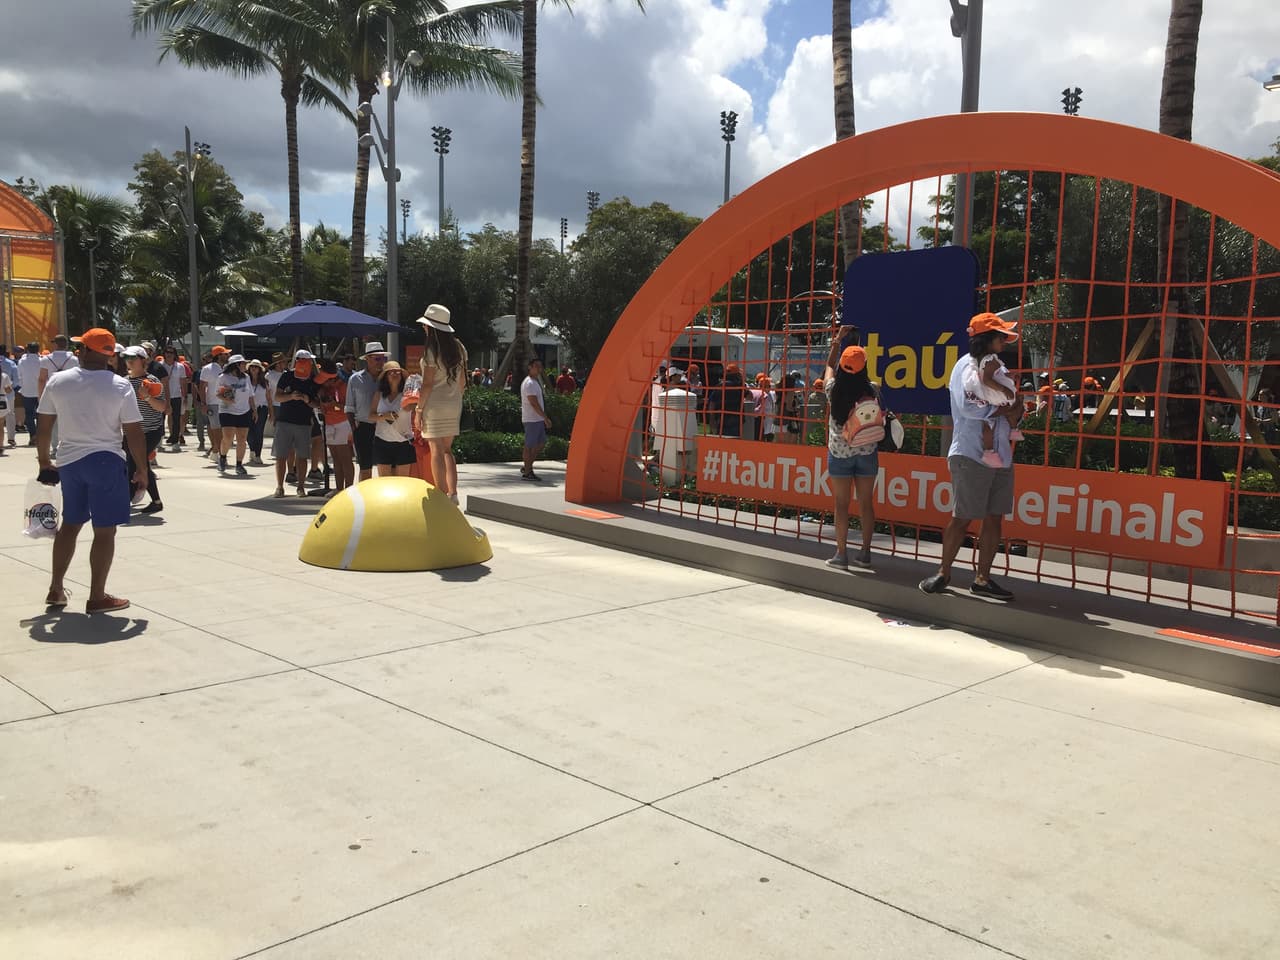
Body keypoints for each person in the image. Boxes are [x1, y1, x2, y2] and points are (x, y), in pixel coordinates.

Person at [35, 328, 148, 614]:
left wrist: (43, 462)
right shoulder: (120, 385)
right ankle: (97, 596)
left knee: (70, 525)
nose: (77, 352)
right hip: (106, 461)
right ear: (109, 355)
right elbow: (133, 432)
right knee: (105, 531)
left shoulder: (58, 382)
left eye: (80, 347)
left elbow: (44, 426)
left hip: (70, 462)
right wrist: (142, 470)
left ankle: (56, 587)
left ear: (86, 351)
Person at [919, 312, 1020, 602]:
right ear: (987, 337)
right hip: (970, 454)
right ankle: (943, 572)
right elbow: (967, 409)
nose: (1005, 340)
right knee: (962, 517)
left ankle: (982, 579)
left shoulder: (997, 367)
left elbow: (1014, 402)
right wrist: (1003, 409)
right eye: (1001, 335)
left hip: (1001, 454)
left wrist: (1013, 410)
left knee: (994, 519)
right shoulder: (965, 366)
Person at [823, 330, 880, 569]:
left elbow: (828, 367)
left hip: (839, 453)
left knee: (841, 504)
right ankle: (865, 553)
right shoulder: (873, 389)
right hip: (867, 452)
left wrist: (836, 341)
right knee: (866, 503)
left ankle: (841, 554)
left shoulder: (832, 389)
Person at [414, 304, 468, 502]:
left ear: (432, 327)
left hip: (434, 405)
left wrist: (419, 410)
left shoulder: (431, 350)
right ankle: (453, 493)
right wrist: (455, 398)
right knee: (447, 450)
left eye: (426, 325)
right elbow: (462, 381)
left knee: (435, 450)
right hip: (454, 403)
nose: (424, 328)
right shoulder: (459, 347)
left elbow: (427, 384)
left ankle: (440, 493)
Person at [964, 324, 1024, 467]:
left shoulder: (977, 360)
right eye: (1001, 339)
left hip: (980, 395)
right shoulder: (990, 360)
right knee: (1016, 401)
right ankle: (1013, 429)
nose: (1004, 342)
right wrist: (1004, 390)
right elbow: (987, 379)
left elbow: (993, 376)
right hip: (991, 394)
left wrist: (1010, 375)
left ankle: (989, 451)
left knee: (987, 424)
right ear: (988, 340)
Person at [122, 346, 166, 513]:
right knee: (141, 465)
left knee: (134, 464)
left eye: (133, 358)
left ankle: (126, 500)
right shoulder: (123, 381)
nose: (129, 361)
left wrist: (147, 396)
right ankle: (156, 501)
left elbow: (162, 407)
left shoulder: (152, 381)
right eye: (127, 358)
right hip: (130, 432)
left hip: (150, 431)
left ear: (143, 360)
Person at [272, 350, 319, 497]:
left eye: (310, 361)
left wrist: (307, 400)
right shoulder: (287, 376)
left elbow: (317, 403)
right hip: (285, 421)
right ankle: (279, 487)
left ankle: (301, 487)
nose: (309, 363)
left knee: (302, 456)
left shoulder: (313, 380)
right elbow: (277, 397)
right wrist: (291, 396)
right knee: (281, 455)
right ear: (298, 361)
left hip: (304, 422)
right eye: (306, 361)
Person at [345, 341, 387, 482]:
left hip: (385, 426)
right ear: (367, 359)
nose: (380, 362)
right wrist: (354, 428)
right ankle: (363, 499)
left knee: (385, 466)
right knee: (365, 467)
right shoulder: (355, 379)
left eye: (383, 358)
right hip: (363, 427)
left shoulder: (388, 378)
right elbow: (349, 406)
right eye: (377, 359)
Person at [370, 360, 415, 476]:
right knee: (385, 482)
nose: (395, 374)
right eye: (391, 372)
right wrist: (384, 416)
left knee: (403, 482)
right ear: (385, 376)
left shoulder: (408, 394)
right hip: (382, 440)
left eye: (398, 372)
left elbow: (414, 408)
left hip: (404, 441)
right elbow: (371, 416)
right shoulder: (379, 394)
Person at [316, 358, 354, 491]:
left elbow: (348, 408)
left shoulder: (343, 386)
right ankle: (338, 490)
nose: (324, 383)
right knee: (336, 460)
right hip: (329, 424)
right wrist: (322, 401)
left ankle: (349, 491)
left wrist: (334, 404)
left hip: (343, 423)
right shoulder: (323, 389)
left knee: (345, 459)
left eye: (326, 379)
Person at [216, 353, 255, 476]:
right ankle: (222, 457)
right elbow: (218, 393)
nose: (245, 365)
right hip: (227, 411)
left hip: (244, 411)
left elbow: (250, 395)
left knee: (242, 439)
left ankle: (239, 464)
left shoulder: (246, 377)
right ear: (236, 365)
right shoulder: (223, 377)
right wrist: (227, 399)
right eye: (243, 363)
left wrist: (254, 409)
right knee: (228, 438)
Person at [520, 357, 552, 481]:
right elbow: (533, 402)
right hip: (532, 419)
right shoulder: (529, 383)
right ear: (530, 367)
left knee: (540, 443)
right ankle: (528, 472)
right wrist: (545, 417)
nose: (538, 369)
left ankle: (527, 466)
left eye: (540, 366)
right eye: (536, 366)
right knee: (529, 446)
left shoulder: (534, 382)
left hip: (536, 419)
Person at [199, 346, 229, 460]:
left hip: (227, 403)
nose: (228, 356)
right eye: (225, 354)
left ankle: (217, 451)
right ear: (219, 355)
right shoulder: (208, 368)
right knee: (216, 428)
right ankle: (220, 453)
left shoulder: (228, 368)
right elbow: (202, 386)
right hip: (213, 402)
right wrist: (203, 403)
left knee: (224, 429)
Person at [246, 360, 271, 467]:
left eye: (256, 367)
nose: (254, 369)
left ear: (260, 369)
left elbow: (269, 398)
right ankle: (252, 449)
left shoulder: (264, 382)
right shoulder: (245, 380)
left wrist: (272, 412)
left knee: (259, 431)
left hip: (262, 408)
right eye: (252, 367)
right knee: (248, 431)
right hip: (248, 408)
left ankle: (257, 454)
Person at [18, 341, 42, 445]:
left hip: (27, 391)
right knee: (41, 414)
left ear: (27, 350)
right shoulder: (43, 360)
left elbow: (20, 376)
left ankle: (33, 435)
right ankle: (41, 435)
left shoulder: (22, 361)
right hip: (41, 391)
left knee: (29, 414)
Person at [162, 345, 188, 446]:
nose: (169, 354)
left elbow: (183, 382)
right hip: (162, 396)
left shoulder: (180, 367)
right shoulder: (160, 365)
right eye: (167, 352)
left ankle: (175, 439)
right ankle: (160, 438)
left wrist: (184, 396)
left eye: (171, 353)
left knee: (176, 418)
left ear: (174, 355)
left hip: (176, 395)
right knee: (161, 418)